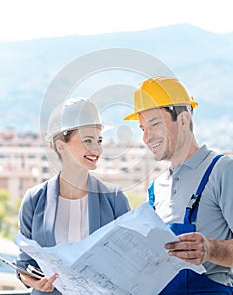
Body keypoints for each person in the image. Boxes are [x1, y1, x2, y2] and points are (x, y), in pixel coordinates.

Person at [124, 76, 233, 294]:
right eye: (142, 128)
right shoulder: (156, 188)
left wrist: (211, 250)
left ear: (183, 120)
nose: (146, 137)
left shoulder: (222, 170)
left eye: (154, 124)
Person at [16, 97, 130, 294]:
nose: (97, 149)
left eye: (99, 140)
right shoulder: (34, 200)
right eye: (87, 140)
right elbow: (24, 264)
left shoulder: (114, 198)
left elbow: (130, 261)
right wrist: (36, 282)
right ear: (61, 146)